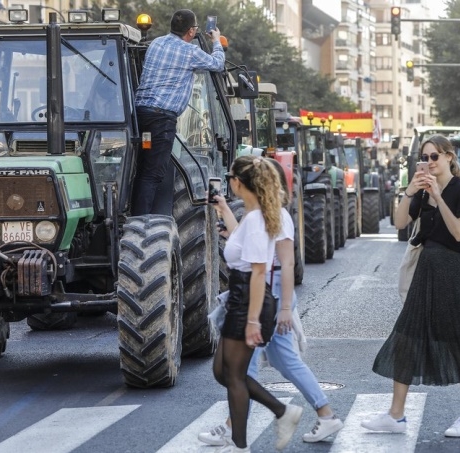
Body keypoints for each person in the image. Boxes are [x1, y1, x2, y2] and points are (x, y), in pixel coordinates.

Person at [199, 159, 343, 447]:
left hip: (269, 294)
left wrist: (285, 308)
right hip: (264, 291)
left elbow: (285, 264)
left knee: (246, 367)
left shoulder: (277, 216)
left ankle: (234, 427)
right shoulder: (259, 214)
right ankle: (324, 415)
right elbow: (248, 244)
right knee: (279, 360)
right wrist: (225, 211)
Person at [361, 134, 460, 438]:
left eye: (434, 157)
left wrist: (438, 195)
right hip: (425, 270)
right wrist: (409, 192)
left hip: (451, 270)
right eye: (425, 157)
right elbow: (398, 223)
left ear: (449, 157)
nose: (429, 162)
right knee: (407, 337)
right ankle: (396, 415)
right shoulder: (421, 190)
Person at [209, 155, 302, 453]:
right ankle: (281, 411)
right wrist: (224, 210)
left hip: (249, 300)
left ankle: (239, 446)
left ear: (238, 183)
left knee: (234, 376)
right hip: (241, 297)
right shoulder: (254, 217)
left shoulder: (258, 219)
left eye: (231, 177)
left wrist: (251, 322)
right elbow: (243, 245)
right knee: (222, 372)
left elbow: (259, 271)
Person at [131, 9, 225, 216]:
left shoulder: (155, 43)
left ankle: (133, 213)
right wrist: (216, 40)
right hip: (161, 120)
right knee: (153, 173)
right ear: (191, 31)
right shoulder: (189, 52)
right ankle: (141, 220)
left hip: (141, 116)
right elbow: (217, 64)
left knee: (142, 167)